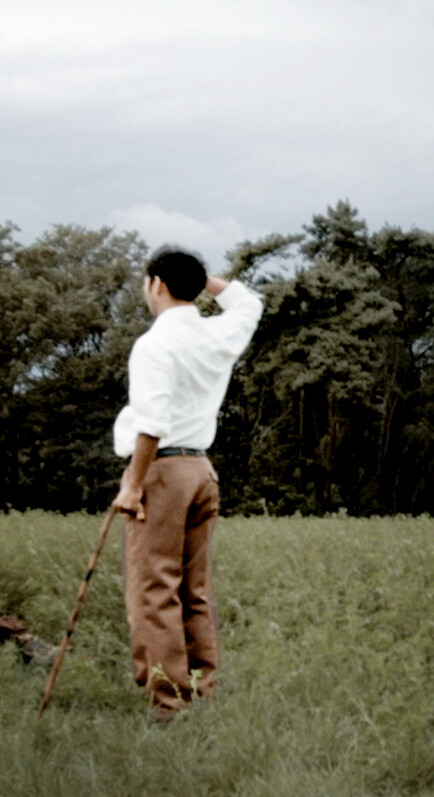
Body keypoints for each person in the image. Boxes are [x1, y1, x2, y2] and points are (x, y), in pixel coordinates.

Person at [112, 246, 262, 722]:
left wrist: (133, 486)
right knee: (194, 591)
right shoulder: (217, 332)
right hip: (201, 471)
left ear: (156, 284)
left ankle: (168, 705)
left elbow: (152, 425)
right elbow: (249, 302)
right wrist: (201, 280)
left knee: (155, 590)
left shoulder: (154, 344)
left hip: (161, 470)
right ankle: (202, 693)